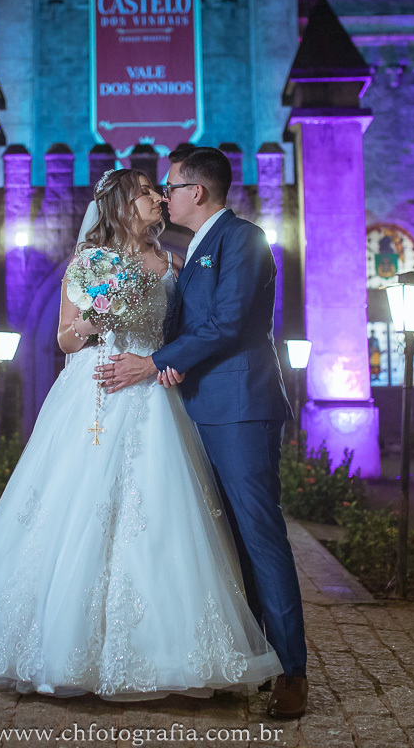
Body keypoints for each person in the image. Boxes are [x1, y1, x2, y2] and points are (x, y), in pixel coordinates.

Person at [0, 167, 282, 701]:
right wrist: (94, 320)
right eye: (146, 192)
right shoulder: (89, 262)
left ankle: (166, 648)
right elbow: (63, 339)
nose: (156, 198)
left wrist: (166, 363)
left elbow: (186, 332)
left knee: (163, 514)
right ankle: (61, 643)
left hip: (153, 392)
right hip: (97, 391)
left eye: (158, 189)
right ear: (123, 204)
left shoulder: (172, 262)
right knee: (77, 505)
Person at [99, 147, 309, 719]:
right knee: (228, 542)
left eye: (170, 186)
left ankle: (292, 672)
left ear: (198, 192)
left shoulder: (243, 239)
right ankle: (254, 656)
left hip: (240, 406)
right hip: (198, 408)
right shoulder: (190, 251)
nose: (164, 196)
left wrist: (155, 360)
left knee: (260, 535)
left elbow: (229, 322)